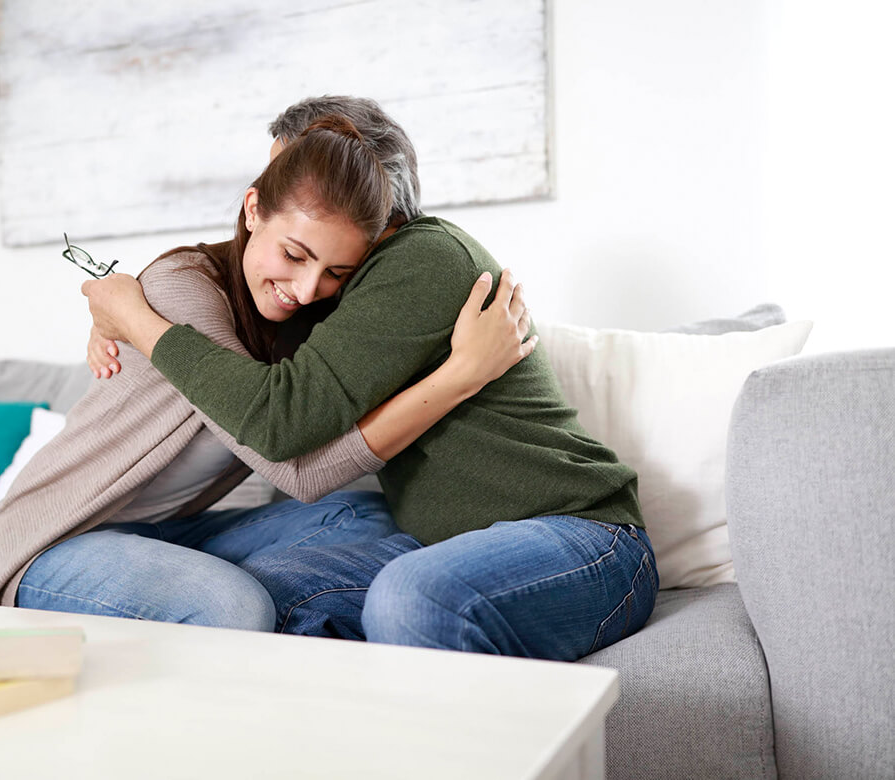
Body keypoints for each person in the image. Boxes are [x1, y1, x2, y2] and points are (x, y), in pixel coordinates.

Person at [82, 96, 659, 661]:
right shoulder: (331, 290)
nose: (280, 185)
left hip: (583, 538)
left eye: (296, 166)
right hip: (449, 548)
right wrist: (112, 309)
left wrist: (136, 318)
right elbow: (221, 301)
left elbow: (280, 420)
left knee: (411, 596)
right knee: (263, 596)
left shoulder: (423, 259)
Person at [0, 115, 536, 630]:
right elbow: (298, 471)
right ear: (252, 208)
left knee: (371, 518)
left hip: (170, 532)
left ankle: (201, 593)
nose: (307, 289)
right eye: (293, 255)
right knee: (233, 606)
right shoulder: (181, 288)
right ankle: (219, 601)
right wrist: (461, 374)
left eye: (336, 271)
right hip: (59, 537)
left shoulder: (305, 316)